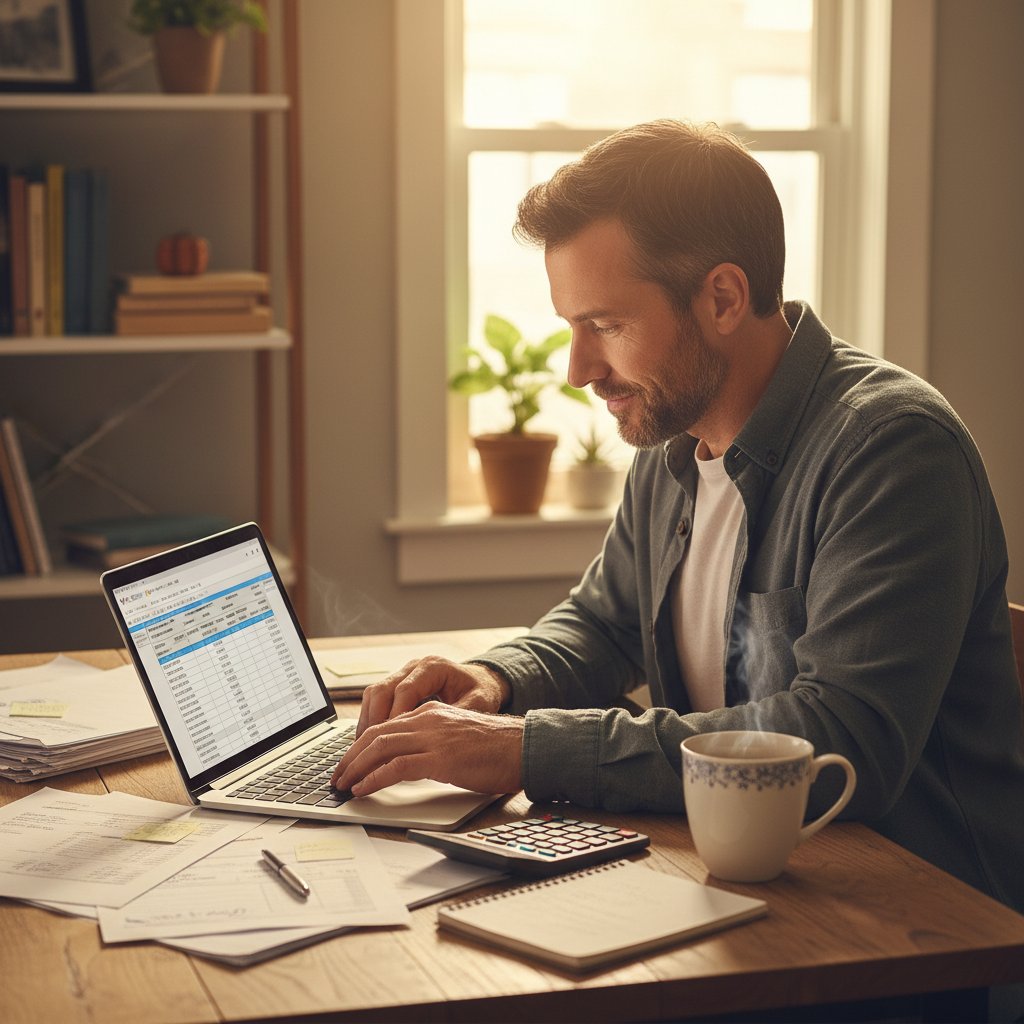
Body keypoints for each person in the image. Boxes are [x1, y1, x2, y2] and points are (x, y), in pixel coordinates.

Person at [332, 119, 1024, 918]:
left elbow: (841, 737)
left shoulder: (892, 448)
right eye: (572, 327)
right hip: (742, 880)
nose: (578, 369)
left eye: (606, 326)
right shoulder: (673, 441)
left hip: (923, 921)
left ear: (722, 298)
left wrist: (526, 750)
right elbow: (606, 624)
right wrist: (496, 681)